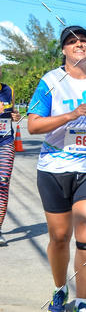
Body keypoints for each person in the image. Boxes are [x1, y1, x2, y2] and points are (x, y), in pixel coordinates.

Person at [28, 26, 86, 312]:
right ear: (63, 50)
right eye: (72, 41)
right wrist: (71, 115)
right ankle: (60, 288)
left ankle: (83, 303)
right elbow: (33, 126)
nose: (79, 44)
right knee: (59, 238)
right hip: (53, 168)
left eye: (84, 41)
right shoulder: (51, 81)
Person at [0, 70, 20, 246]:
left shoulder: (8, 90)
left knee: (3, 182)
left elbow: (12, 113)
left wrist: (15, 115)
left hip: (5, 141)